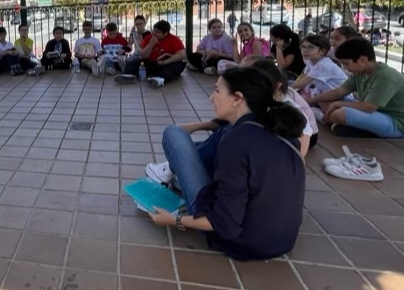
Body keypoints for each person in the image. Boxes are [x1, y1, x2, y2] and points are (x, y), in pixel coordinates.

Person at [148, 67, 306, 261]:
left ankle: (173, 175)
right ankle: (181, 176)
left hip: (242, 243)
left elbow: (224, 223)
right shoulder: (277, 126)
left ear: (237, 98)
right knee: (204, 145)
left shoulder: (236, 140)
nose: (211, 97)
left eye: (217, 91)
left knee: (173, 134)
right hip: (283, 239)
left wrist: (174, 220)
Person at [308, 38, 404, 140]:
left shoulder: (385, 76)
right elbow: (339, 92)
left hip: (396, 122)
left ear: (362, 60)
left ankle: (338, 121)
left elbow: (369, 107)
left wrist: (337, 104)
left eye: (346, 63)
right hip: (373, 114)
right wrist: (311, 100)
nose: (345, 68)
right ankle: (348, 124)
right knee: (324, 99)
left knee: (340, 114)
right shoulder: (360, 72)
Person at [292, 34, 350, 101]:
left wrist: (284, 90)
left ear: (322, 51)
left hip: (342, 97)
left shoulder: (323, 64)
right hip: (327, 95)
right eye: (303, 47)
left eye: (310, 47)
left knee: (316, 99)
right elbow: (302, 79)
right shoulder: (310, 61)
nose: (305, 50)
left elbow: (301, 84)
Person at [139, 20, 186, 88]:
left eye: (158, 32)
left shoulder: (174, 39)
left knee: (178, 65)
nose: (154, 34)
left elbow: (182, 54)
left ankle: (159, 79)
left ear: (166, 33)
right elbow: (143, 56)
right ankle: (128, 76)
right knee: (137, 64)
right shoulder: (149, 38)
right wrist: (151, 44)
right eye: (154, 31)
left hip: (166, 63)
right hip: (152, 63)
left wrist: (165, 62)